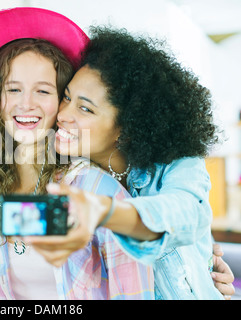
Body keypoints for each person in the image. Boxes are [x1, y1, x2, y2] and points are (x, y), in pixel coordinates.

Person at [0, 8, 154, 300]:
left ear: (62, 103)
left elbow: (135, 293)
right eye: (13, 89)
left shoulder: (97, 191)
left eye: (43, 91)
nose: (26, 104)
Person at [27, 26, 231, 299]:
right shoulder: (67, 176)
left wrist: (107, 212)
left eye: (85, 108)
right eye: (67, 97)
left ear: (127, 128)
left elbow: (187, 213)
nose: (63, 114)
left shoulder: (178, 165)